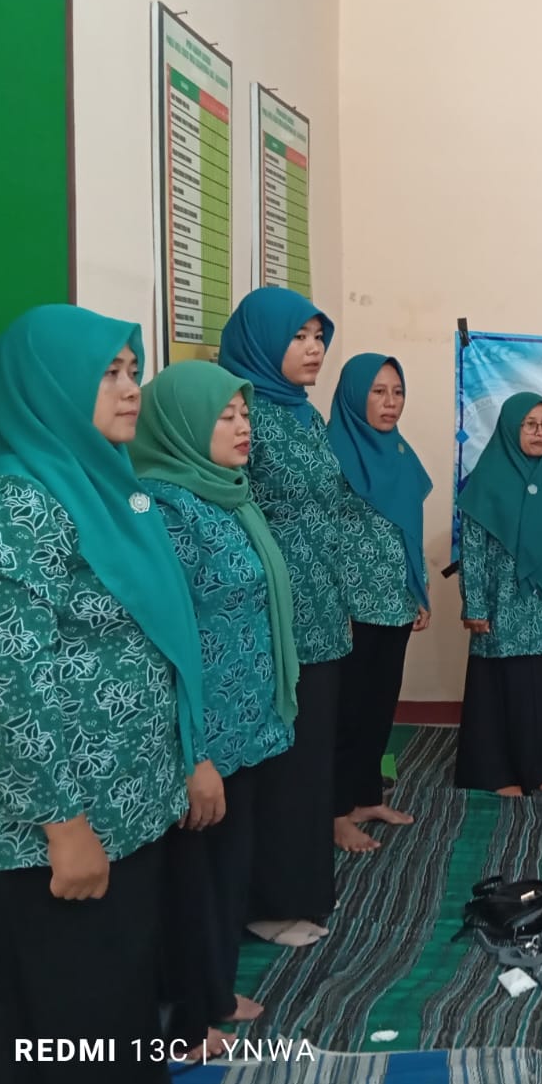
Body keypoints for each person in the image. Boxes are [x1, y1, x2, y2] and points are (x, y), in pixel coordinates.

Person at [0, 304, 200, 1084]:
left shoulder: (100, 485)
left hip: (121, 809)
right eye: (107, 374)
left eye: (132, 371)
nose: (131, 389)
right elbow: (8, 680)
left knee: (111, 1008)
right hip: (52, 835)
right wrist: (62, 824)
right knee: (66, 1031)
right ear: (49, 386)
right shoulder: (15, 503)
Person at [129, 360, 300, 1057]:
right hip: (199, 734)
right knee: (193, 878)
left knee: (228, 867)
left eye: (244, 414)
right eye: (224, 417)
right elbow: (162, 641)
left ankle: (215, 992)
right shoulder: (162, 509)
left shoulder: (228, 494)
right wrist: (191, 752)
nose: (241, 427)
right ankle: (189, 1018)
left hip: (245, 725)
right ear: (181, 425)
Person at [218, 286, 351, 948]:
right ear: (262, 340)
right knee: (279, 765)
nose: (313, 349)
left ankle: (302, 887)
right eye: (299, 337)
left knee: (310, 760)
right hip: (273, 617)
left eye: (318, 336)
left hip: (322, 613)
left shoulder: (304, 415)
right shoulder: (245, 415)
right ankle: (267, 902)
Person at [455, 392, 542, 795]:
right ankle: (501, 772)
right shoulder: (486, 480)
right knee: (505, 686)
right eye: (530, 424)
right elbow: (472, 550)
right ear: (510, 428)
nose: (540, 432)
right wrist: (475, 603)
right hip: (502, 607)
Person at [330, 354, 432, 853]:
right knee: (344, 713)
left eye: (397, 391)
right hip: (351, 609)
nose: (391, 403)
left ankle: (366, 796)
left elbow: (409, 527)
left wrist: (419, 588)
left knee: (379, 707)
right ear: (354, 395)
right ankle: (334, 812)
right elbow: (322, 540)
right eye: (378, 391)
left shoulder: (398, 451)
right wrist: (334, 608)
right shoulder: (332, 455)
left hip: (394, 601)